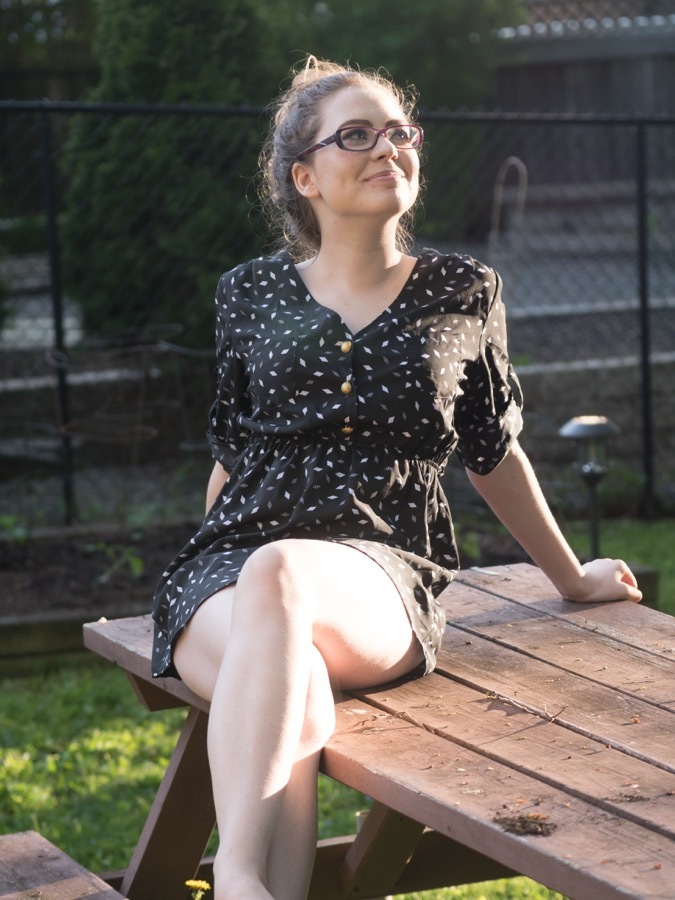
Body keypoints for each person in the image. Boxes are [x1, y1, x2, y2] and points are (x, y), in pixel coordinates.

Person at [152, 57, 642, 900]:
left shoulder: (461, 289)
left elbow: (493, 452)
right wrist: (211, 563)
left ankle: (233, 874)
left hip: (378, 569)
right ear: (304, 177)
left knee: (281, 575)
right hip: (230, 570)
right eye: (355, 135)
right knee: (291, 684)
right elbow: (232, 454)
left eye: (397, 131)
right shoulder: (248, 293)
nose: (386, 148)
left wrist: (572, 579)